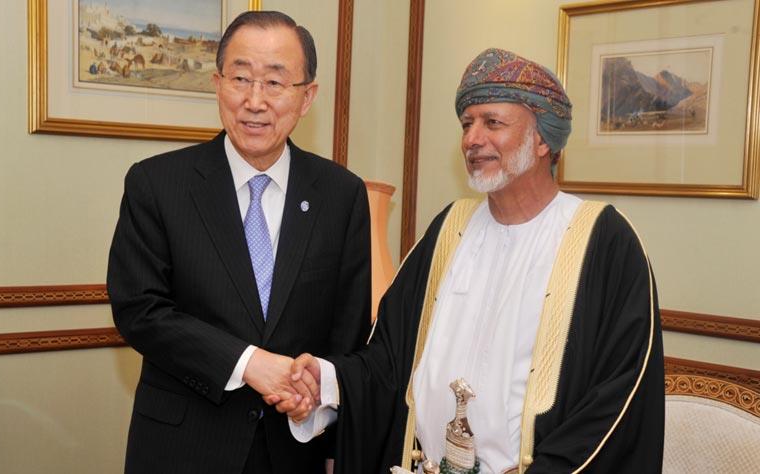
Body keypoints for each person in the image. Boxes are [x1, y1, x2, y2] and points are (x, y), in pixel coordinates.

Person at [270, 49, 664, 473]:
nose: (472, 139)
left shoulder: (604, 240)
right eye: (466, 124)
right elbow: (389, 361)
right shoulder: (449, 228)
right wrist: (329, 381)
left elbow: (616, 399)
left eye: (492, 123)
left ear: (543, 139)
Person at [107, 11, 371, 474]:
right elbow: (140, 311)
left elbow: (348, 334)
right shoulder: (157, 183)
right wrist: (249, 363)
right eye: (241, 78)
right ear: (217, 84)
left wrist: (323, 408)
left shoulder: (341, 194)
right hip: (182, 449)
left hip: (295, 451)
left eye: (275, 82)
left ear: (307, 97)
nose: (254, 101)